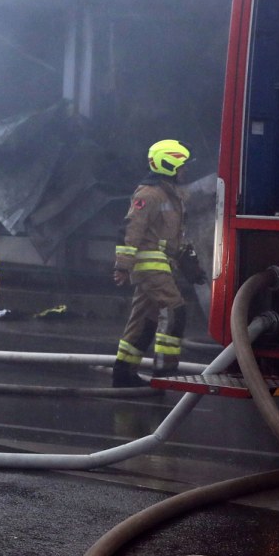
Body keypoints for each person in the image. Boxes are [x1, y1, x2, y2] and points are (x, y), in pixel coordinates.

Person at [111, 139, 203, 388]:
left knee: (143, 320)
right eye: (182, 165)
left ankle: (123, 372)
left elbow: (173, 238)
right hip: (149, 264)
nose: (185, 171)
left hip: (162, 264)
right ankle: (164, 372)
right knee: (175, 310)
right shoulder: (148, 194)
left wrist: (189, 266)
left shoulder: (172, 196)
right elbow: (131, 230)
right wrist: (122, 265)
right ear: (169, 164)